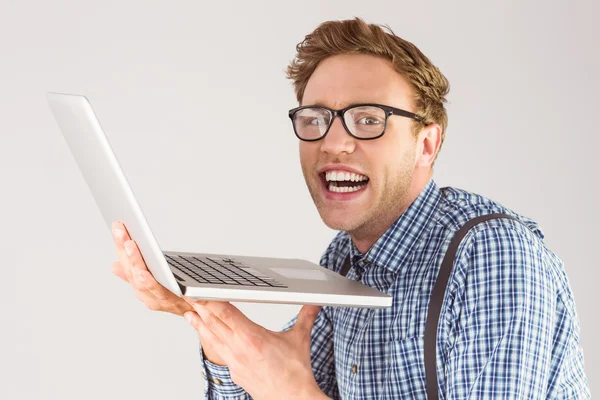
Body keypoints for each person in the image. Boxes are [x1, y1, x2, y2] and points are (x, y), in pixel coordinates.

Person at [110, 18, 590, 400]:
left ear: (427, 144)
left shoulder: (491, 256)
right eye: (315, 119)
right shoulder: (344, 260)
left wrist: (293, 394)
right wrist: (208, 318)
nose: (333, 142)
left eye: (367, 119)